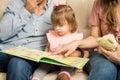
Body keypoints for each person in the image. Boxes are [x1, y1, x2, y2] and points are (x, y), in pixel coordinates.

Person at [53, 0, 120, 80]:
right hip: (102, 54)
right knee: (105, 70)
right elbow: (95, 38)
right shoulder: (99, 2)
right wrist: (76, 43)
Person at [0, 0, 59, 80]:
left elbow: (70, 30)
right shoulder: (16, 2)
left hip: (31, 57)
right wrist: (26, 10)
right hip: (7, 51)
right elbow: (1, 34)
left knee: (17, 63)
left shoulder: (56, 6)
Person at [32, 5, 89, 80]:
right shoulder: (52, 35)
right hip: (51, 62)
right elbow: (47, 48)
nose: (57, 28)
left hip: (66, 63)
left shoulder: (75, 36)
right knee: (41, 68)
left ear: (71, 24)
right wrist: (46, 53)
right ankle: (36, 78)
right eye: (55, 25)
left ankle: (63, 76)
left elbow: (85, 52)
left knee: (68, 67)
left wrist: (80, 66)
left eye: (61, 25)